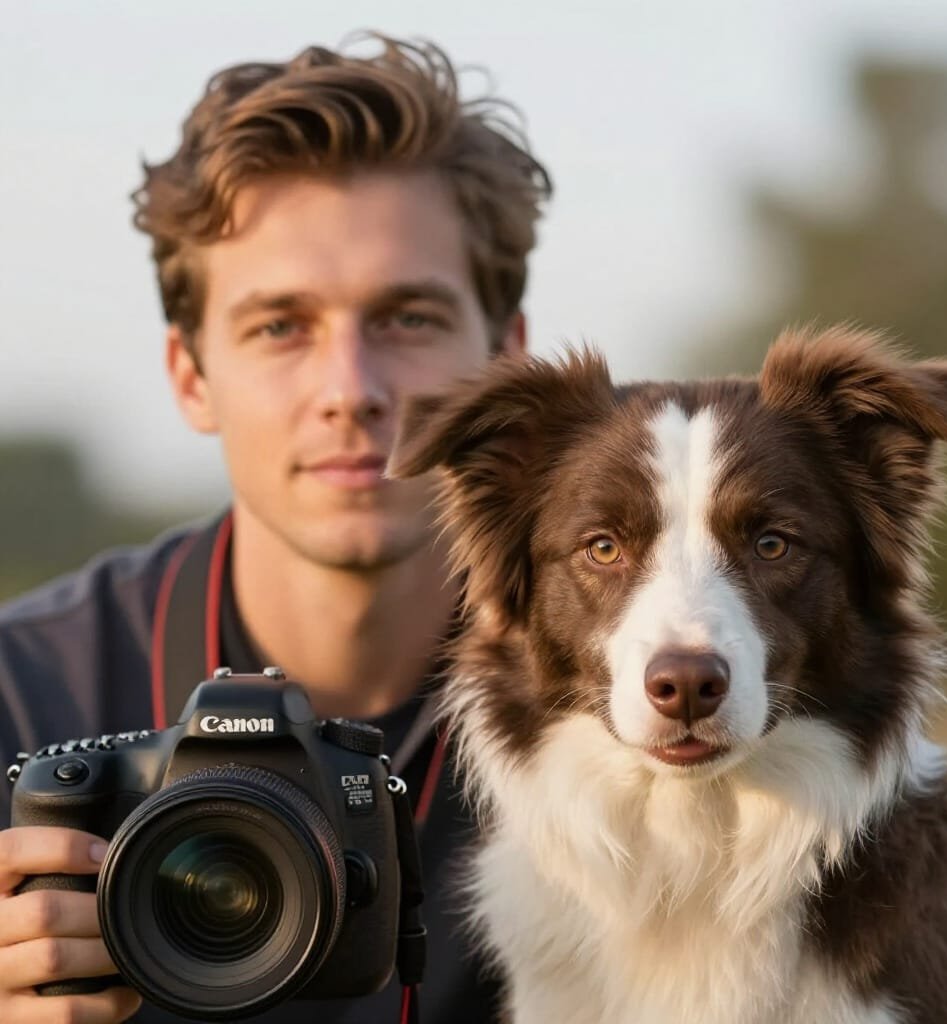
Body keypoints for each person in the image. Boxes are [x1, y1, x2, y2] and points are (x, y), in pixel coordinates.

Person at [0, 33, 552, 1024]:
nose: (350, 390)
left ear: (507, 363)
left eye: (408, 318)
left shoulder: (633, 706)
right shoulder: (26, 700)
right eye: (279, 326)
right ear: (189, 375)